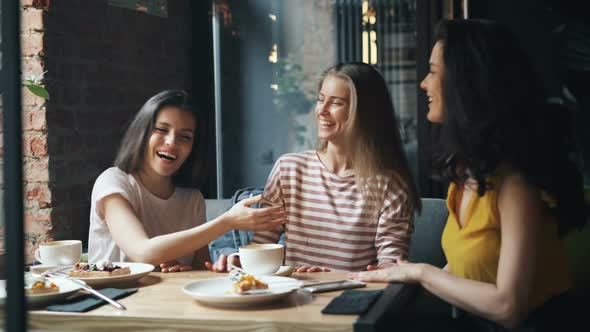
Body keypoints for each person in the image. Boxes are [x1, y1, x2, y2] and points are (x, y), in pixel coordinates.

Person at [349, 19, 588, 330]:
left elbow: (508, 307)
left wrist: (422, 272)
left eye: (433, 71)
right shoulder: (466, 177)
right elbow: (467, 269)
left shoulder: (517, 185)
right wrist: (398, 274)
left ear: (465, 82)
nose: (423, 83)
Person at [207, 62, 421, 273]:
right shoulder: (289, 169)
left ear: (365, 113)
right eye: (321, 100)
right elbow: (263, 246)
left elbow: (390, 269)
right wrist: (238, 260)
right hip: (290, 299)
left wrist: (331, 278)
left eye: (336, 103)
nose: (322, 111)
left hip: (349, 301)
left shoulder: (391, 185)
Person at [88, 90, 287, 272]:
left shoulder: (192, 198)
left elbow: (200, 267)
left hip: (165, 304)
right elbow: (143, 252)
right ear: (142, 133)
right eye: (161, 129)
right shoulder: (113, 182)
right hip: (112, 302)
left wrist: (205, 268)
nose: (171, 142)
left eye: (185, 137)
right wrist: (227, 221)